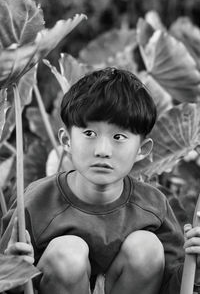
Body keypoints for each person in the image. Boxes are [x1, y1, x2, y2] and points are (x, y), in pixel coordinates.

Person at [1, 67, 200, 294]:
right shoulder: (35, 202)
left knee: (147, 248)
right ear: (66, 140)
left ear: (142, 150)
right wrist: (15, 274)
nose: (102, 150)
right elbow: (6, 277)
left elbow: (172, 288)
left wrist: (197, 267)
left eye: (118, 137)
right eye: (89, 134)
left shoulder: (153, 206)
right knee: (67, 254)